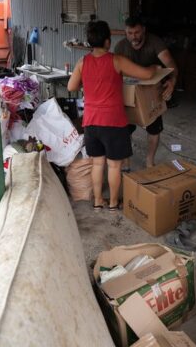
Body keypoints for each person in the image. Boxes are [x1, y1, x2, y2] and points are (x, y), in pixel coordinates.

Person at [67, 20, 156, 211]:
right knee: (114, 166)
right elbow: (146, 75)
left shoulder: (83, 62)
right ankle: (114, 203)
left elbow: (71, 87)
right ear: (107, 42)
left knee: (98, 163)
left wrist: (89, 83)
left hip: (91, 122)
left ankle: (98, 200)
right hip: (113, 122)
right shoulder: (116, 60)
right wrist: (155, 68)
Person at [114, 16, 178, 167]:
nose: (133, 37)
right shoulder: (121, 47)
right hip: (129, 93)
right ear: (126, 32)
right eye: (130, 33)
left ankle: (150, 160)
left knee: (154, 129)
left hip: (151, 93)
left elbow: (171, 65)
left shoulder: (155, 42)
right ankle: (126, 160)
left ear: (143, 30)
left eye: (137, 32)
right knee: (124, 130)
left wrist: (172, 82)